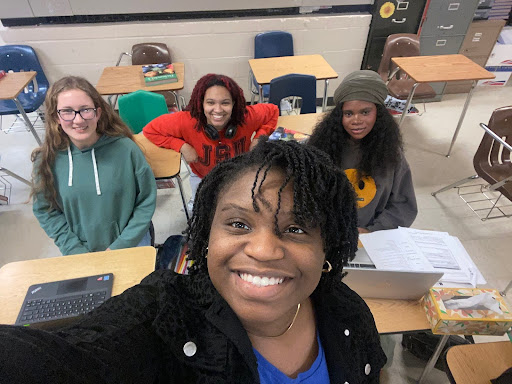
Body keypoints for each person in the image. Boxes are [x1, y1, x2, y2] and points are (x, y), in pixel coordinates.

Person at [0, 140, 386, 383]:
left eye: (297, 229)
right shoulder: (159, 317)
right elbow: (65, 362)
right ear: (205, 238)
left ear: (327, 252)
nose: (264, 250)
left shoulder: (347, 310)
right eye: (238, 223)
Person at [31, 76, 157, 255]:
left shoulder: (126, 149)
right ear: (55, 117)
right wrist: (74, 249)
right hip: (79, 251)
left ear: (98, 113)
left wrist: (120, 246)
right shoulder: (45, 160)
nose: (78, 120)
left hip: (130, 245)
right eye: (67, 111)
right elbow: (46, 211)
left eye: (85, 110)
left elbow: (146, 199)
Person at [143, 73, 279, 207]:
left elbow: (273, 111)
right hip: (202, 176)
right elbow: (150, 130)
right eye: (210, 102)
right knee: (200, 212)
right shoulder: (186, 121)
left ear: (234, 104)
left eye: (225, 103)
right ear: (201, 103)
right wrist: (182, 146)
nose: (218, 110)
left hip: (238, 174)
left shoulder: (246, 117)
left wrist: (259, 138)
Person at [308, 70, 417, 233]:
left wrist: (372, 231)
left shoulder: (391, 154)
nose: (356, 121)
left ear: (378, 114)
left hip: (371, 235)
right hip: (324, 232)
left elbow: (402, 205)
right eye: (348, 113)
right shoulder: (319, 147)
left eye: (365, 112)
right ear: (339, 116)